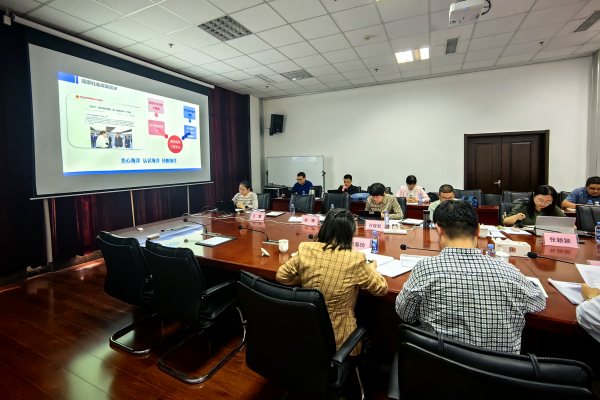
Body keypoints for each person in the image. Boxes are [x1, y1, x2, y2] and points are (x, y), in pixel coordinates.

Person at [395, 200, 546, 353]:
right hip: (500, 367)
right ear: (478, 230)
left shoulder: (426, 268)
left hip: (438, 362)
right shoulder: (509, 272)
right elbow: (539, 302)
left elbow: (405, 314)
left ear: (438, 229)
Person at [276, 208, 388, 354]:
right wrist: (372, 268)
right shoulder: (355, 259)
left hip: (306, 329)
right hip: (340, 339)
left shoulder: (306, 249)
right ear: (350, 233)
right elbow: (381, 288)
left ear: (325, 227)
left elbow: (282, 276)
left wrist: (305, 275)